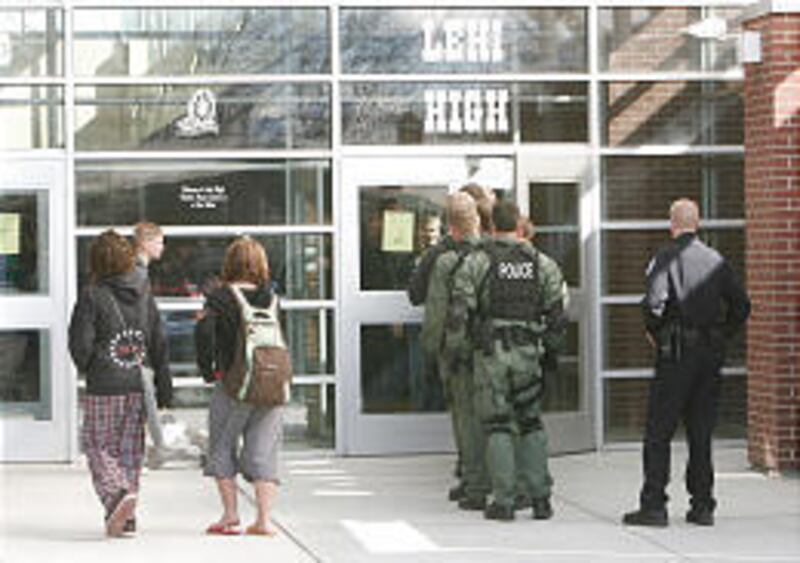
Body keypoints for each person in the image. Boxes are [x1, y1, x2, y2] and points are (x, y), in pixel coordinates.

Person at [622, 198, 750, 528]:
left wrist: (655, 333)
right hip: (709, 356)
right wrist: (722, 335)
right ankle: (702, 505)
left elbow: (653, 304)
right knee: (701, 432)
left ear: (672, 224)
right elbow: (741, 305)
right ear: (698, 222)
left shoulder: (665, 257)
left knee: (659, 431)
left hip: (676, 354)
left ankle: (654, 505)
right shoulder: (716, 260)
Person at [445, 200, 567, 521]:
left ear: (492, 226)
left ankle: (504, 501)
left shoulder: (477, 262)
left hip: (492, 355)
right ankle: (541, 498)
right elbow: (557, 315)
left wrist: (456, 352)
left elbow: (458, 314)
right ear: (519, 225)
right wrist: (551, 354)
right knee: (531, 423)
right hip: (528, 354)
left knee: (497, 425)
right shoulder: (542, 263)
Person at [68, 229, 172, 537]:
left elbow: (80, 344)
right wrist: (164, 380)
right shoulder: (144, 289)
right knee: (129, 451)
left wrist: (90, 366)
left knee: (97, 445)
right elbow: (157, 338)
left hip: (104, 383)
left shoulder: (92, 294)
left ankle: (116, 496)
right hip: (136, 382)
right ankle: (127, 518)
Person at [195, 236, 283, 537]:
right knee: (264, 451)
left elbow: (204, 335)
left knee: (222, 446)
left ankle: (230, 515)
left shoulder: (220, 297)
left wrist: (208, 371)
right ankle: (264, 520)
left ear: (230, 263)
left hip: (233, 384)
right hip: (272, 385)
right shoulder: (272, 297)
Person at [420, 192, 489, 509]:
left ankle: (473, 482)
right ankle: (500, 478)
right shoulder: (495, 253)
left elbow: (436, 311)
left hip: (459, 350)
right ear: (477, 219)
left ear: (450, 224)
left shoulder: (445, 261)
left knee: (465, 418)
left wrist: (433, 349)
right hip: (495, 349)